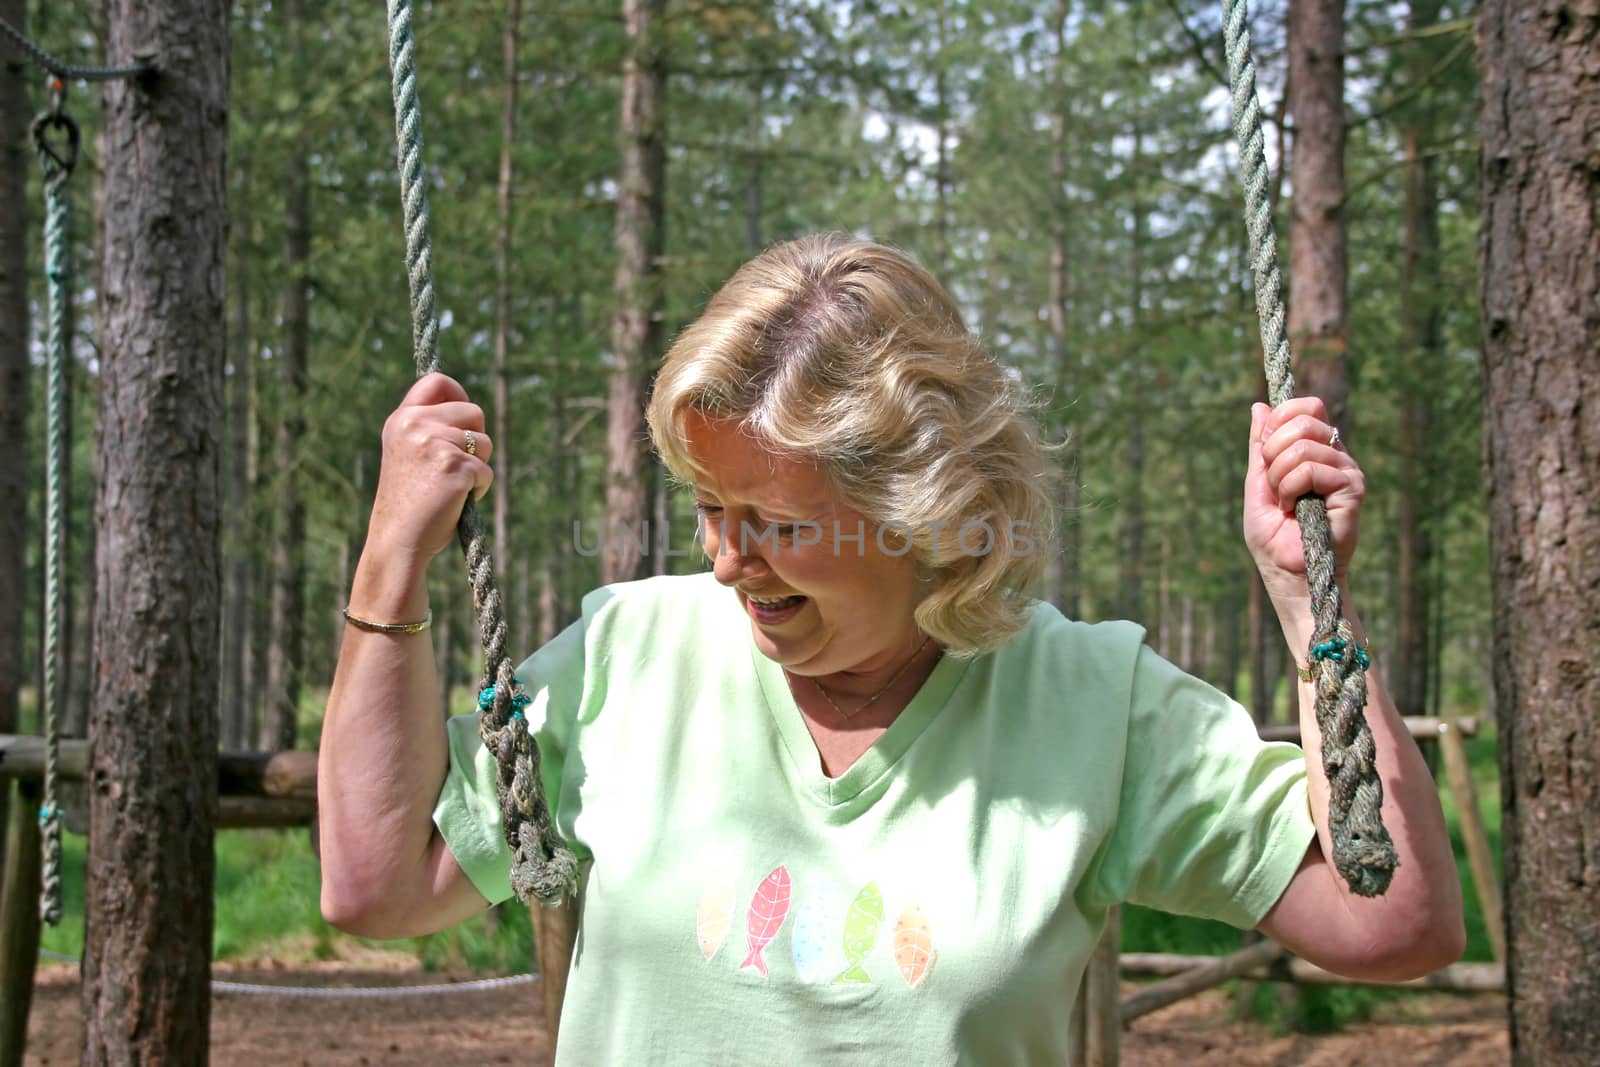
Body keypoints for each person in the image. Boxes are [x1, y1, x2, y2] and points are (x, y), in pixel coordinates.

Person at [318, 234, 1464, 1063]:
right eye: (709, 507)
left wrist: (1305, 595)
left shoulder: (1091, 703)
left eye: (774, 522)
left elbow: (1390, 922)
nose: (726, 560)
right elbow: (379, 884)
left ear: (921, 507)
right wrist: (390, 559)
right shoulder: (629, 655)